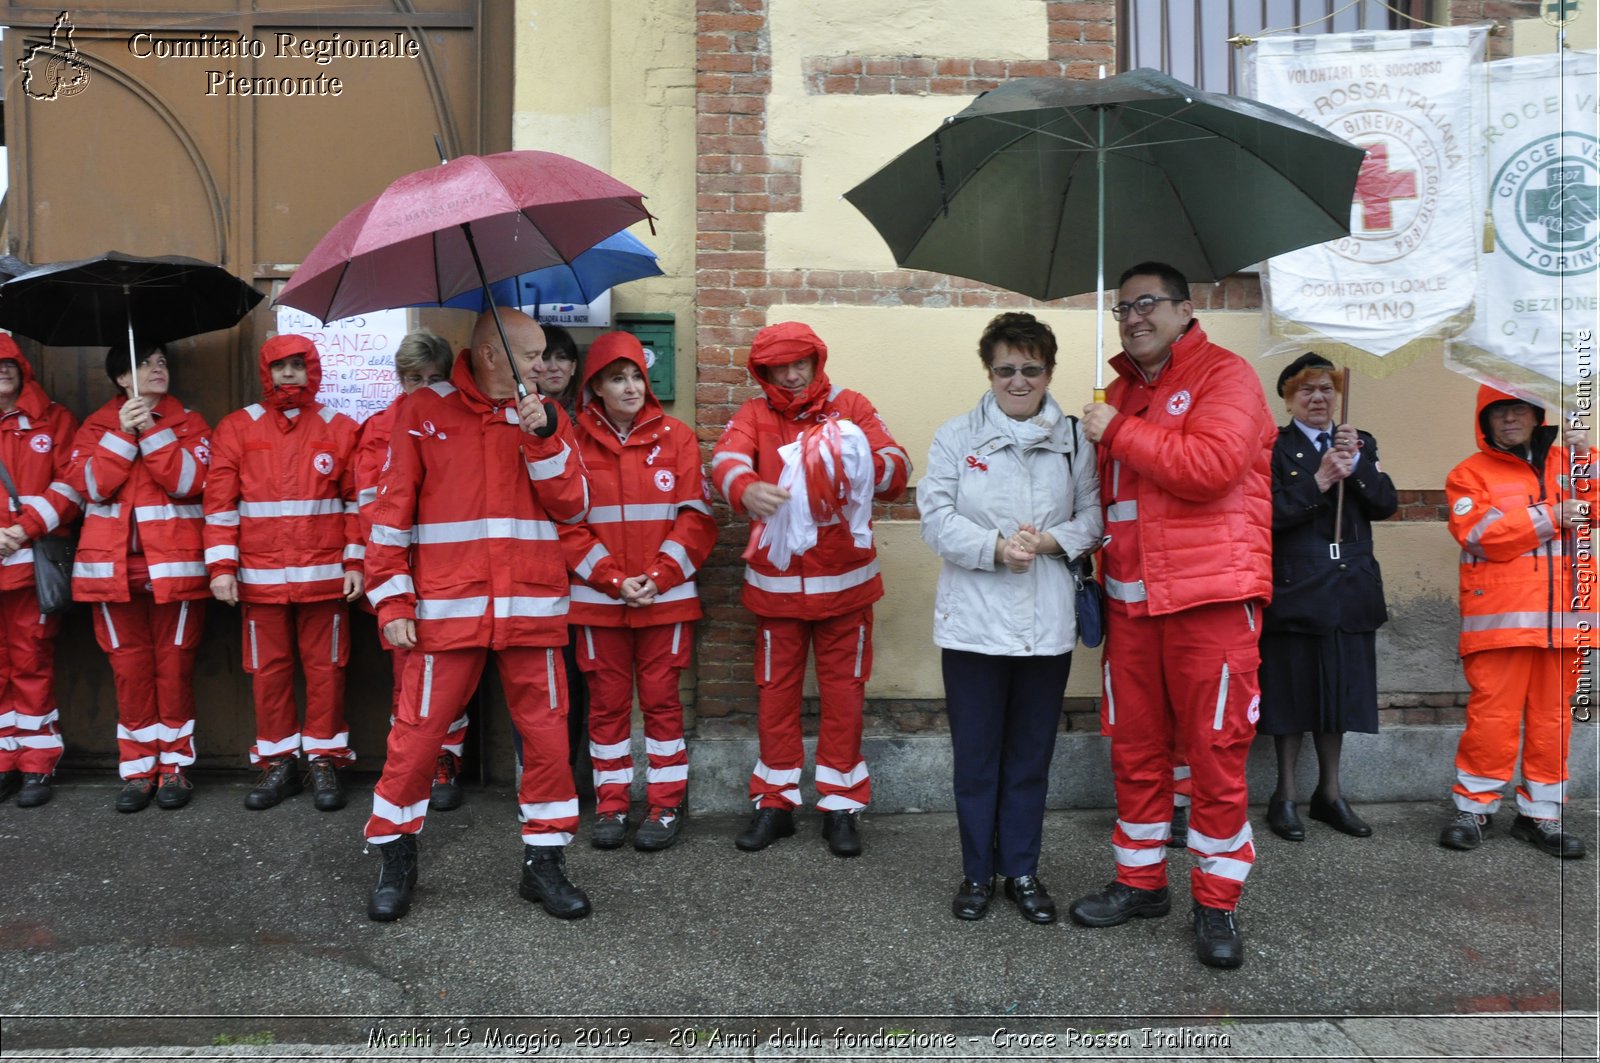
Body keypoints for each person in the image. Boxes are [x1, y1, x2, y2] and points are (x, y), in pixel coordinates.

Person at [1069, 262, 1275, 970]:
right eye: (1123, 307)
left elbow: (1214, 466)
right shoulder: (1118, 391)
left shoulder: (1229, 376)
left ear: (1187, 309)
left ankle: (1216, 903)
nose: (1133, 317)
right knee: (1135, 750)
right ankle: (1140, 881)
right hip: (1132, 607)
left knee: (1215, 758)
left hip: (1211, 601)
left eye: (1149, 303)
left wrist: (1118, 431)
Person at [362, 308, 592, 922]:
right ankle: (394, 853)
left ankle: (545, 862)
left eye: (547, 356)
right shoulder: (422, 412)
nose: (547, 367)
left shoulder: (547, 417)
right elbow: (389, 515)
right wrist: (391, 597)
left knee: (546, 741)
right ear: (492, 355)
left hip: (532, 607)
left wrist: (543, 439)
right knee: (417, 736)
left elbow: (573, 506)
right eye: (534, 354)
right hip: (447, 609)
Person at [917, 312, 1102, 923]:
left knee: (1028, 757)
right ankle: (976, 874)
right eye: (1005, 370)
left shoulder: (1076, 439)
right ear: (988, 372)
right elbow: (936, 518)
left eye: (1031, 369)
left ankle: (1021, 870)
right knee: (976, 759)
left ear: (1049, 371)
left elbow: (1095, 518)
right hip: (972, 622)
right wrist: (997, 548)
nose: (1018, 380)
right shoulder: (954, 437)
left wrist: (1048, 543)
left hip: (1044, 624)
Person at [712, 321, 911, 857]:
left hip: (846, 588)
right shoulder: (755, 414)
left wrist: (860, 461)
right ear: (765, 372)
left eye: (801, 362)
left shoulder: (852, 406)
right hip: (778, 591)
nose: (793, 374)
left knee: (844, 695)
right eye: (781, 366)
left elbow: (897, 467)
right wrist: (745, 488)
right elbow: (726, 459)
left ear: (817, 362)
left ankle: (841, 804)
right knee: (775, 695)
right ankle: (774, 801)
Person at [560, 331, 715, 852]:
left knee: (662, 704)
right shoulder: (572, 444)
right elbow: (566, 525)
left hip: (663, 601)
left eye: (635, 377)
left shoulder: (678, 437)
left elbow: (695, 518)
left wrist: (658, 576)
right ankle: (611, 804)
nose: (630, 387)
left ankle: (666, 805)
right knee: (605, 707)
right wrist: (612, 580)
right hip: (599, 603)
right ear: (596, 386)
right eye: (616, 378)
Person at [203, 334, 364, 812]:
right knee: (268, 673)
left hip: (324, 578)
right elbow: (220, 506)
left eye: (298, 365)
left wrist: (355, 562)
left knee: (326, 670)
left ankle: (323, 759)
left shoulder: (341, 428)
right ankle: (277, 763)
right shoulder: (236, 428)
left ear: (312, 371)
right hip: (259, 579)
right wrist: (221, 568)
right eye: (280, 366)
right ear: (265, 372)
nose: (288, 374)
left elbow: (357, 504)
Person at [1439, 387, 1592, 859]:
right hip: (1499, 623)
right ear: (1484, 421)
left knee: (1553, 722)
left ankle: (1542, 816)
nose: (1509, 419)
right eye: (1498, 412)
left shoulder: (1569, 462)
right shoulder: (1469, 474)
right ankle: (1473, 809)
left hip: (1566, 621)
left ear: (1536, 415)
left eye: (1518, 409)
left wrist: (1587, 453)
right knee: (1492, 718)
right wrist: (1552, 515)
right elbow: (1480, 535)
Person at [67, 343, 212, 812]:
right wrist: (121, 435)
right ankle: (138, 772)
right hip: (110, 574)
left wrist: (150, 430)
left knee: (173, 669)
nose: (157, 369)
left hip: (175, 573)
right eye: (145, 363)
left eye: (162, 362)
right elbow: (89, 485)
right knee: (129, 673)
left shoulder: (190, 422)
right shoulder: (95, 426)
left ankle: (174, 768)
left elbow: (190, 481)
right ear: (121, 380)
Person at [1258, 353, 1397, 841]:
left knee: (1339, 694)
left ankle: (1330, 793)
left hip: (1350, 588)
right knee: (1292, 695)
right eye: (1306, 391)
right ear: (1288, 399)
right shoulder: (1275, 447)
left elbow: (1384, 503)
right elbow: (1265, 515)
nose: (1318, 398)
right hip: (1297, 588)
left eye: (1325, 389)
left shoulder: (1359, 442)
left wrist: (1355, 463)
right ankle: (1286, 794)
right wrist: (1318, 481)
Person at [354, 329, 465, 810]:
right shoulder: (380, 426)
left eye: (435, 378)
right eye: (414, 378)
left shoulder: (459, 421)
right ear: (399, 380)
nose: (424, 387)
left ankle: (447, 760)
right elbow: (368, 506)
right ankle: (409, 768)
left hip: (446, 568)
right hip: (399, 570)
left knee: (450, 678)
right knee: (408, 677)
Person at [0, 338, 80, 808]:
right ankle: (4, 761)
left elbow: (70, 487)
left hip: (31, 568)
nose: (3, 370)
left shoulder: (54, 419)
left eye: (9, 363)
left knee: (31, 664)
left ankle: (37, 764)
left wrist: (20, 531)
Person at [536, 322, 590, 786]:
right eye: (545, 357)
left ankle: (577, 774)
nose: (553, 365)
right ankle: (544, 775)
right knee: (548, 680)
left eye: (562, 358)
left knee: (581, 678)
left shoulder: (591, 415)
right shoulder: (526, 415)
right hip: (540, 562)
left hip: (588, 568)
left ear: (574, 367)